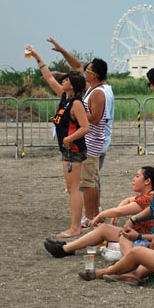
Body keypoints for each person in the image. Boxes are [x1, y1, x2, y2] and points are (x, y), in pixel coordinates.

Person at [26, 45, 89, 238]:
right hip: (66, 149)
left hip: (74, 149)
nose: (64, 80)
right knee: (71, 188)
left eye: (68, 79)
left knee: (73, 189)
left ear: (74, 85)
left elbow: (85, 127)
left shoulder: (76, 103)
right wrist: (38, 58)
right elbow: (49, 77)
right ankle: (75, 225)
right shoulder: (64, 97)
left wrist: (69, 138)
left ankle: (75, 227)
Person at [46, 37, 108, 222]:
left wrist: (73, 114)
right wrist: (61, 51)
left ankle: (90, 218)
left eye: (88, 70)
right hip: (85, 143)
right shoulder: (90, 89)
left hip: (87, 144)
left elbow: (94, 120)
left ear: (95, 74)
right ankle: (93, 216)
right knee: (86, 183)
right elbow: (77, 67)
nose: (84, 72)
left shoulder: (97, 92)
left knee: (85, 184)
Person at [42, 166, 154, 257]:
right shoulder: (149, 195)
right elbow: (127, 201)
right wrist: (115, 214)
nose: (133, 179)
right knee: (104, 229)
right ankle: (66, 247)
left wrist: (99, 216)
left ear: (147, 181)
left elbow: (119, 212)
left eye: (137, 176)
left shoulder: (148, 198)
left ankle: (65, 248)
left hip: (144, 238)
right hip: (140, 235)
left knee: (106, 230)